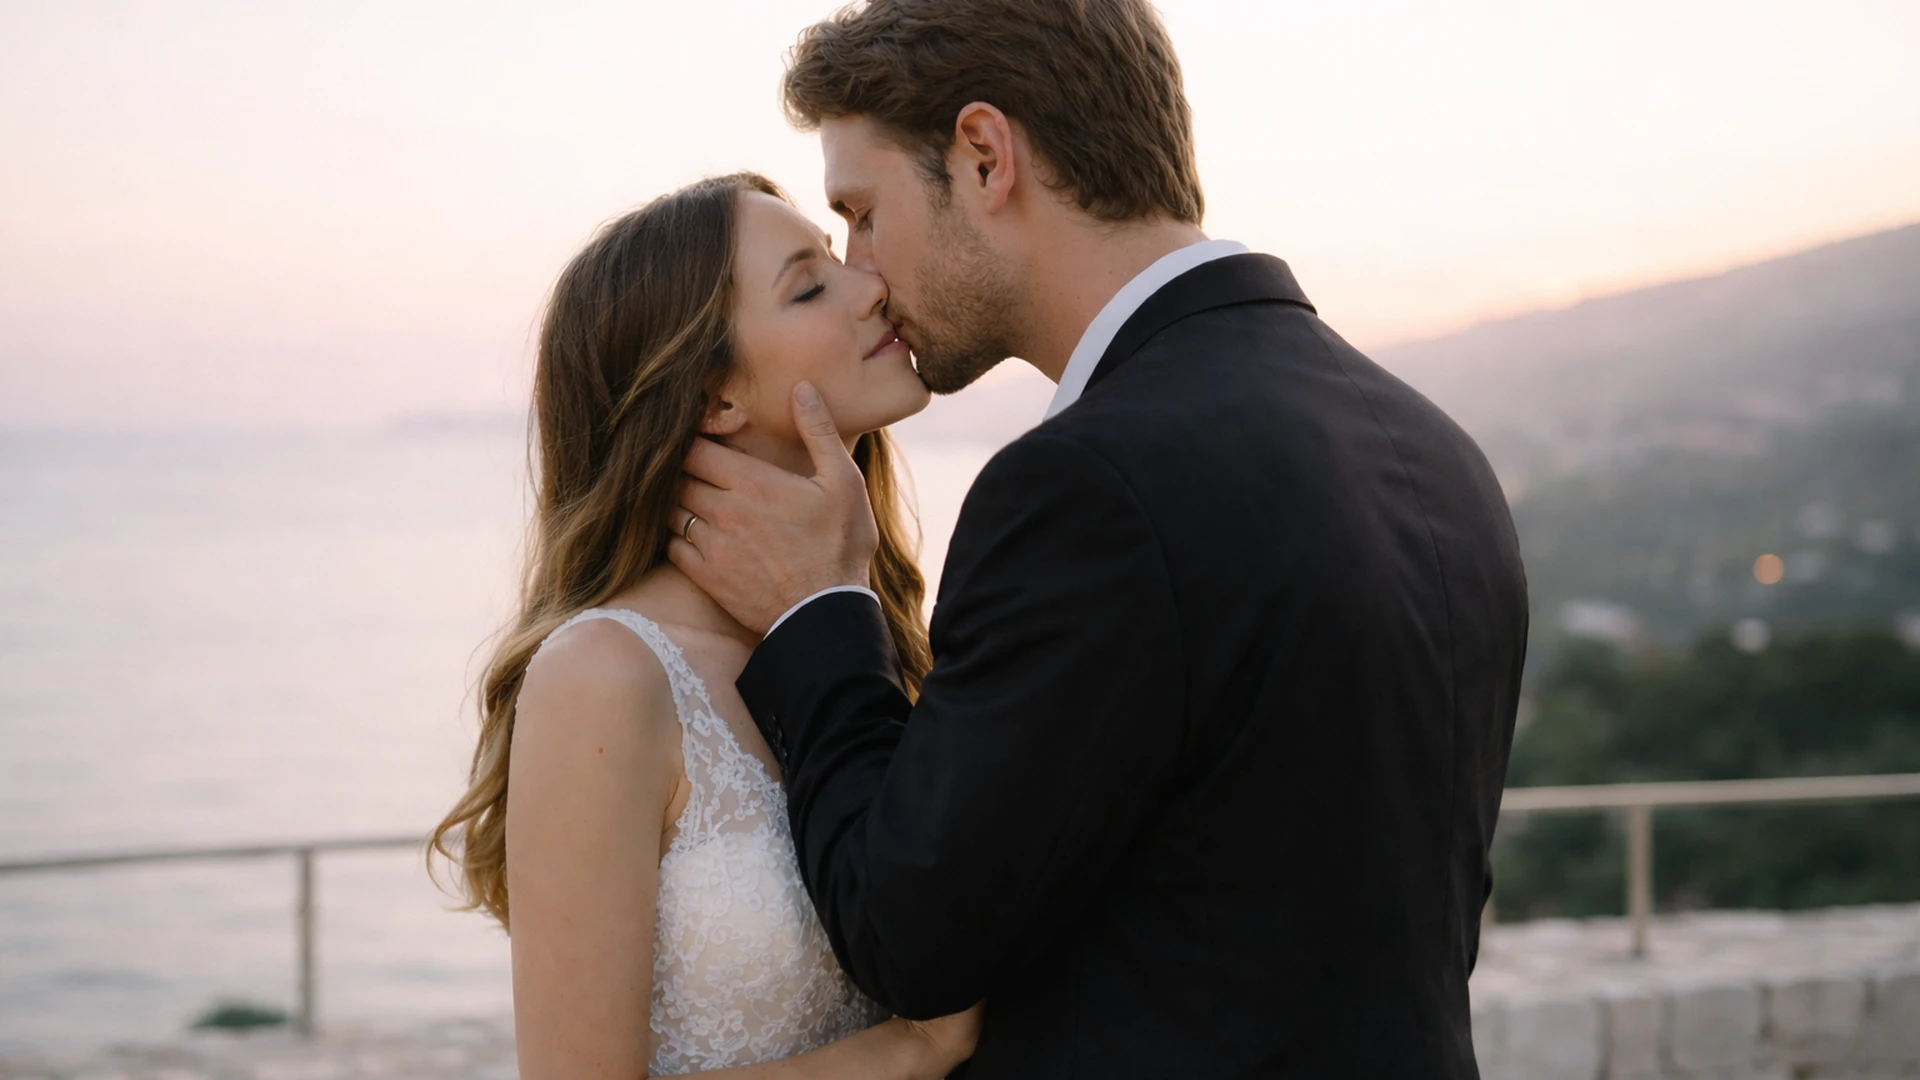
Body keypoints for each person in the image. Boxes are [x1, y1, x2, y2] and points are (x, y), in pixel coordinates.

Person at [669, 1, 1530, 1077]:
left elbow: (911, 938)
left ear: (985, 157)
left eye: (864, 212)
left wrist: (819, 613)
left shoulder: (1089, 485)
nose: (866, 269)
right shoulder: (1437, 451)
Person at [430, 173, 980, 1078]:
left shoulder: (871, 634)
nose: (871, 284)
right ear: (716, 399)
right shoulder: (605, 674)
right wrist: (911, 1049)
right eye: (809, 286)